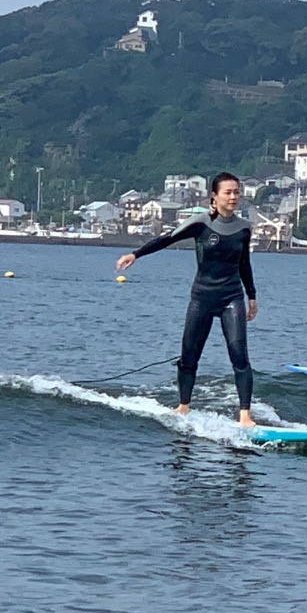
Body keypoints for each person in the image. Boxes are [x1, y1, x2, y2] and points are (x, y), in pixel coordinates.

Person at [115, 172, 259, 424]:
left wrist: (252, 296)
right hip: (202, 297)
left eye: (237, 192)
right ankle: (183, 406)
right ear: (214, 196)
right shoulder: (200, 223)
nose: (234, 197)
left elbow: (244, 263)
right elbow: (166, 239)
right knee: (190, 353)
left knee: (239, 354)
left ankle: (245, 415)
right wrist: (136, 254)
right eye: (228, 192)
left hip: (231, 298)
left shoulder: (244, 228)